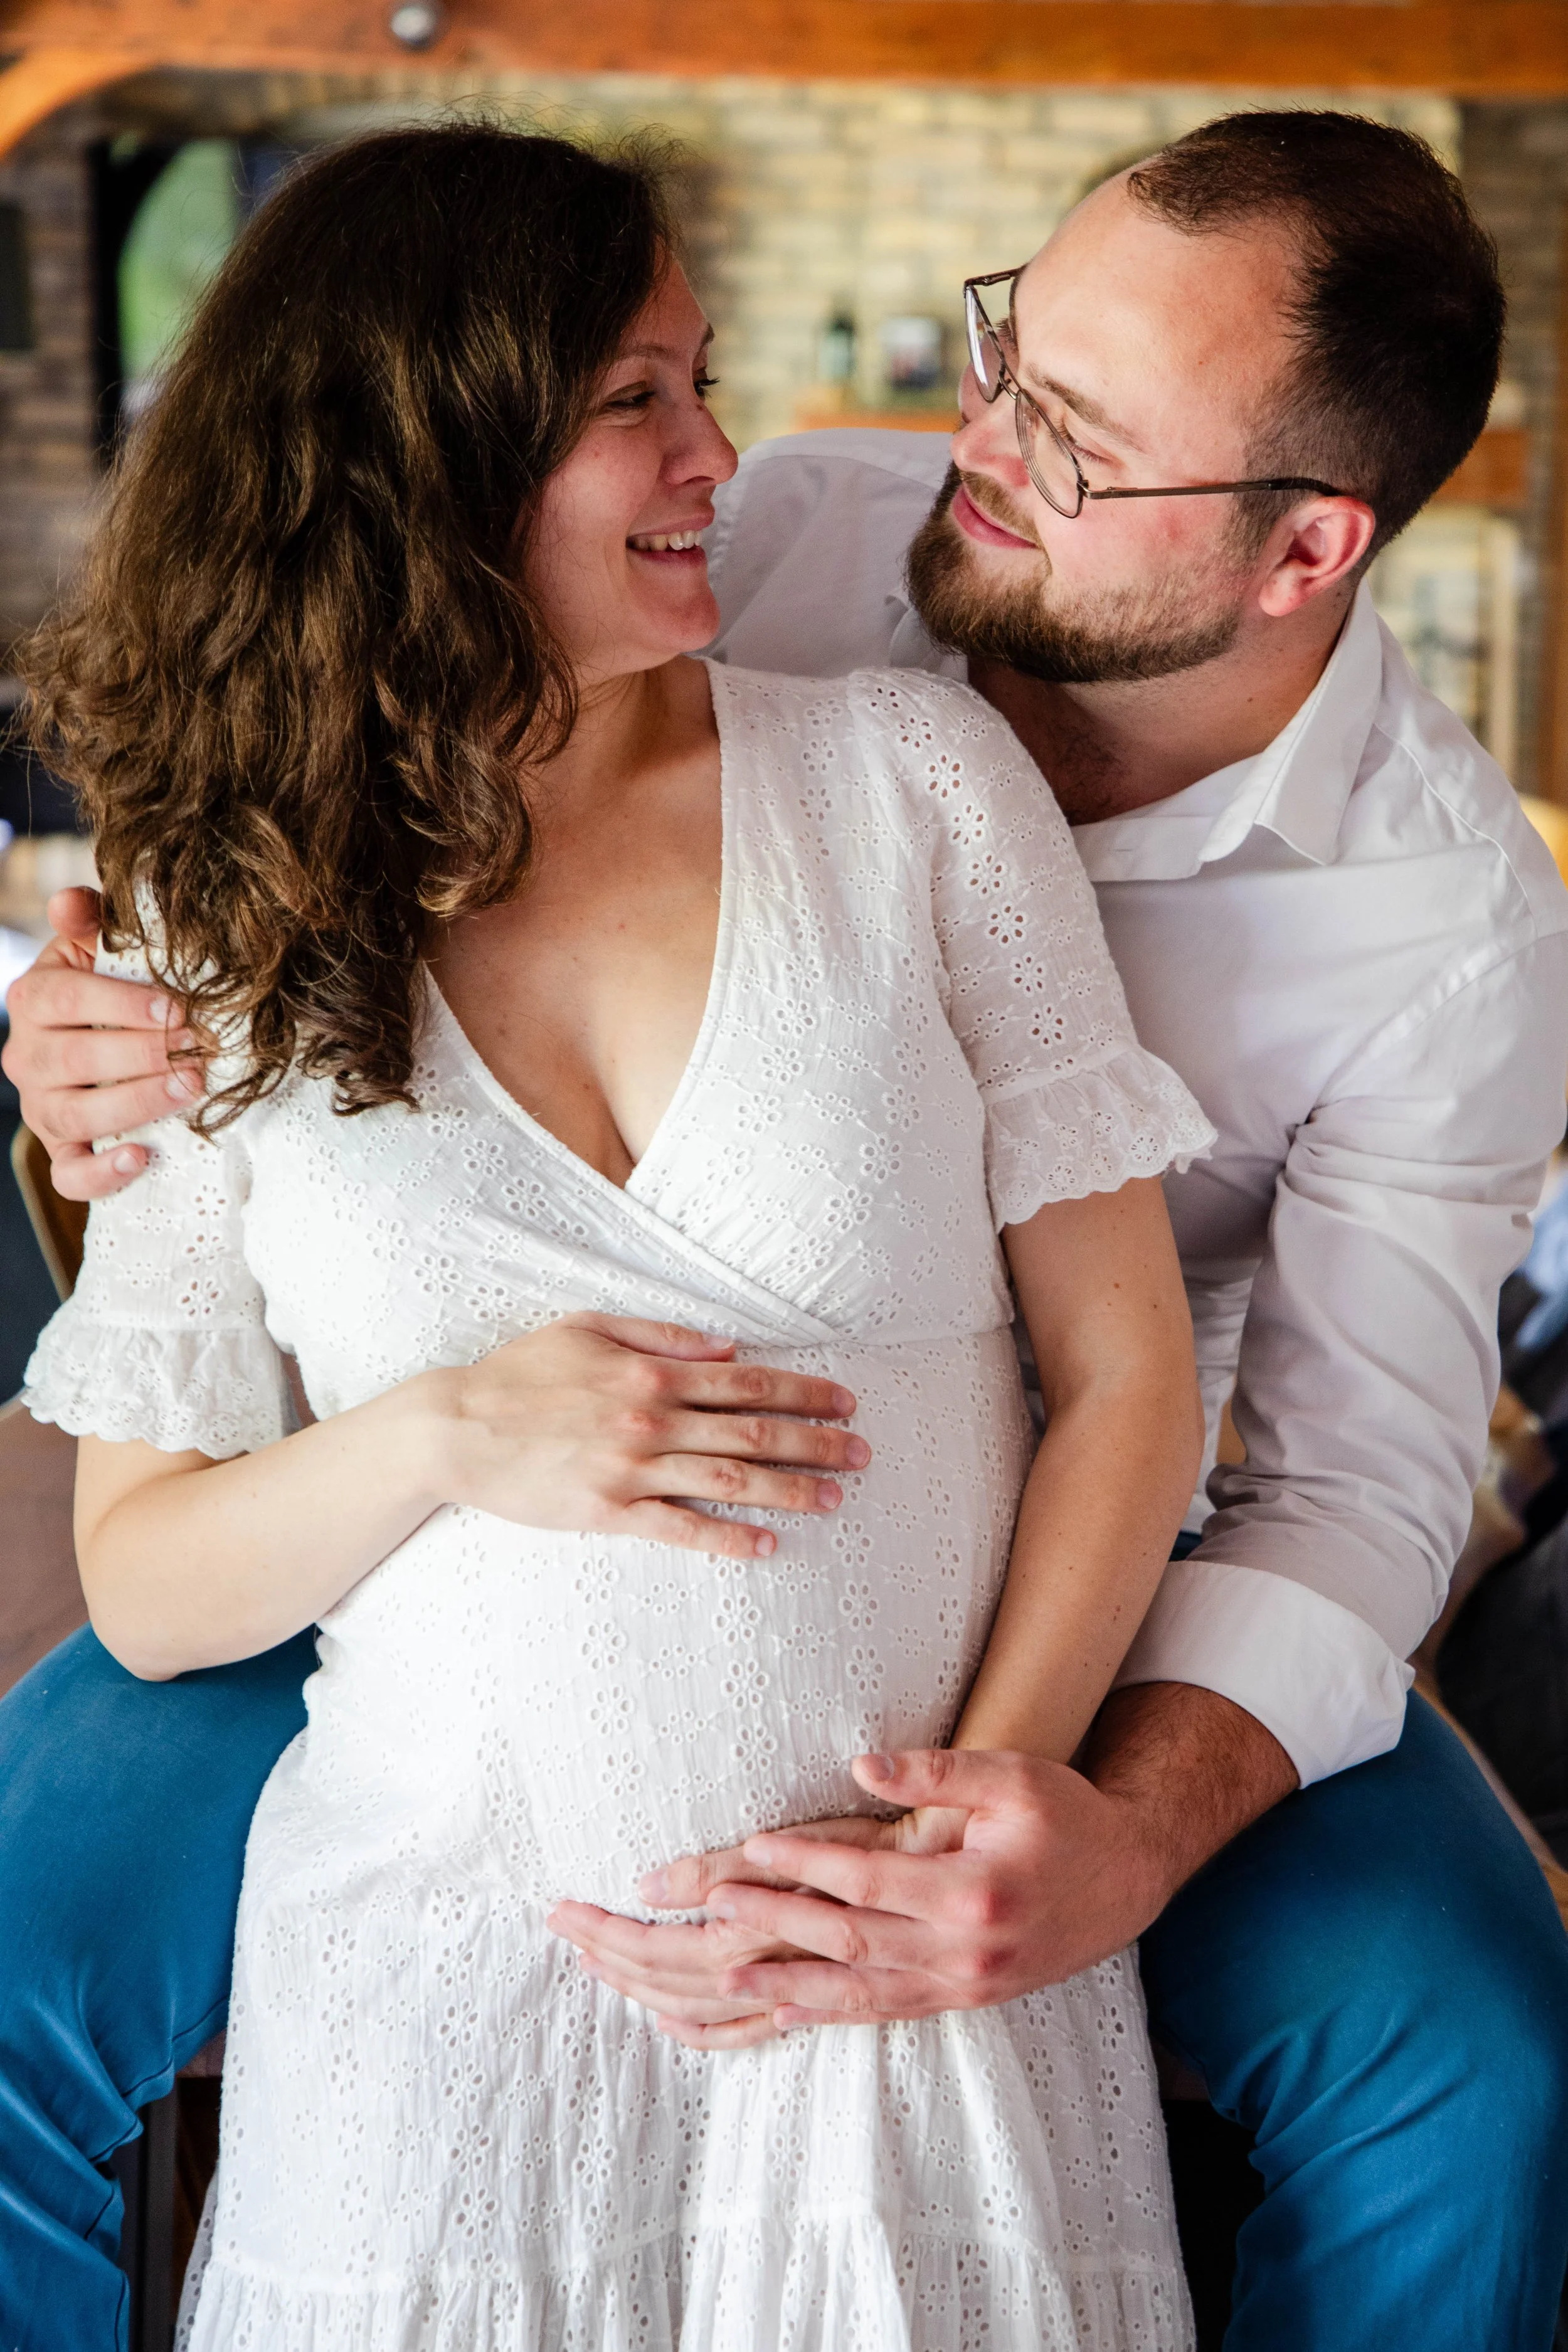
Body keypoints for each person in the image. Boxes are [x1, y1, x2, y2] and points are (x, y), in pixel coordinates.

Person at [5, 106, 1568, 2352]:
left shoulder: (1446, 930)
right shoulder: (780, 532)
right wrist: (88, 1055)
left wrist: (1083, 1818)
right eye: (1008, 351)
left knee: (1477, 2062)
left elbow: (1351, 1489)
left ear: (1296, 547)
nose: (979, 448)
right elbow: (254, 1044)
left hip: (1107, 1588)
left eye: (1078, 440)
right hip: (449, 1549)